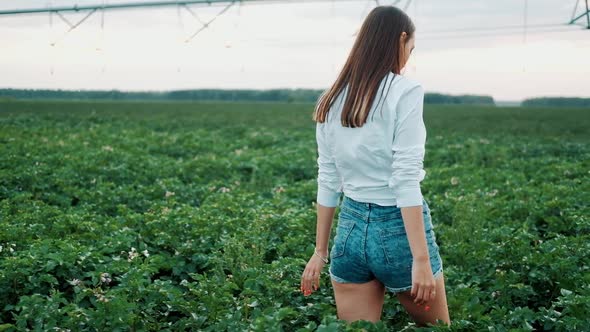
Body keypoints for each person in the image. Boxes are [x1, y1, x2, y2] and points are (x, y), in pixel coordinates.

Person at [299, 5, 451, 327]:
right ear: (401, 39)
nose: (409, 57)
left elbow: (328, 179)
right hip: (398, 231)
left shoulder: (331, 97)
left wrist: (320, 251)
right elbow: (405, 180)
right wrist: (421, 260)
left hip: (349, 231)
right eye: (410, 49)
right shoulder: (406, 91)